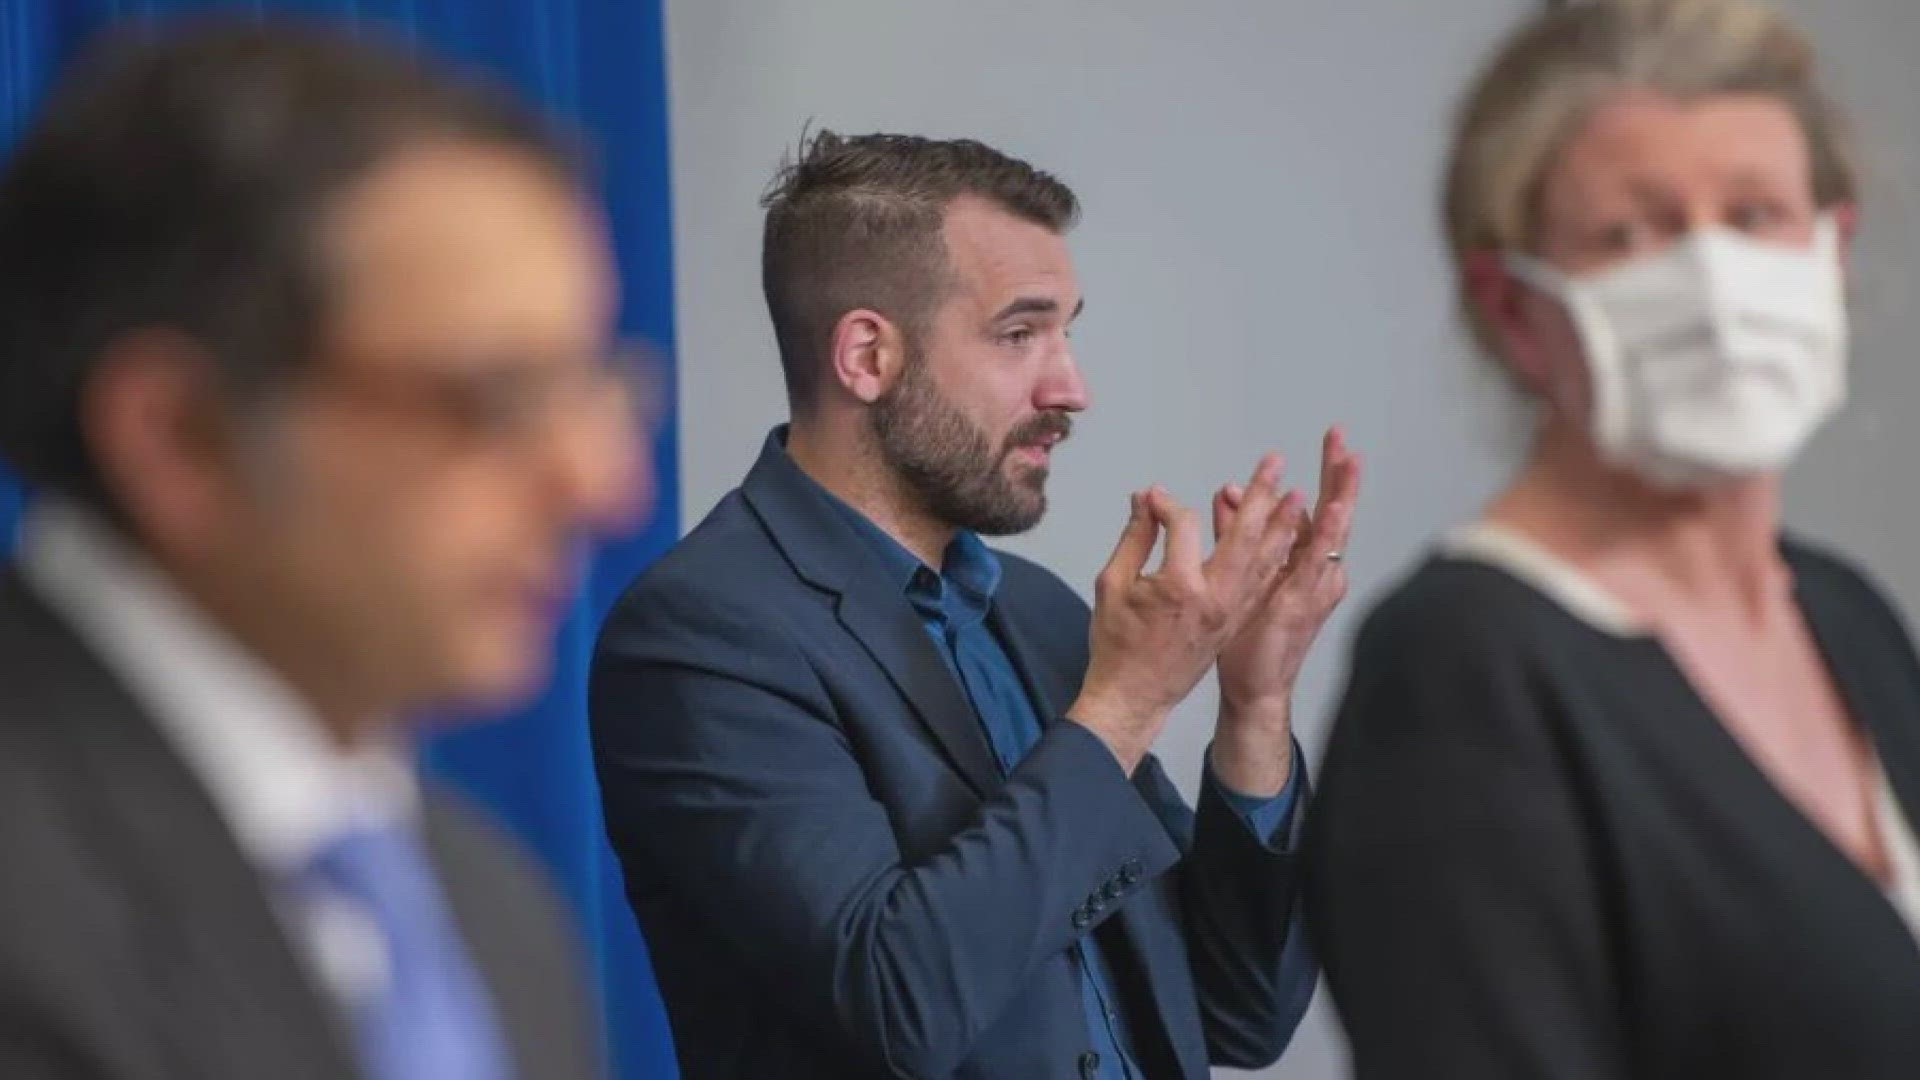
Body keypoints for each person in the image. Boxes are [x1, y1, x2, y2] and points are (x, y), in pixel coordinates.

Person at [591, 130, 1359, 1079]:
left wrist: (1255, 710)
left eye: (1068, 330)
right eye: (1020, 333)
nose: (1071, 387)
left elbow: (1240, 1014)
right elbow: (898, 1004)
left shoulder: (1035, 614)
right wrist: (1124, 707)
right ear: (868, 356)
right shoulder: (700, 640)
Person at [0, 19, 647, 1080]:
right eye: (496, 400)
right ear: (182, 437)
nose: (605, 489)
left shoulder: (492, 912)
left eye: (595, 391)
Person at [1306, 1, 1920, 1077]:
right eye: (1631, 233)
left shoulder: (1842, 613)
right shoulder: (1463, 677)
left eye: (1756, 211)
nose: (1716, 286)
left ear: (1832, 245)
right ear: (1514, 309)